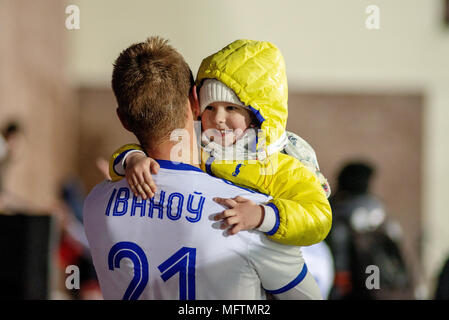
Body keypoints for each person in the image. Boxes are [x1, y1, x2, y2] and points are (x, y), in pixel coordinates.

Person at [83, 36, 322, 300]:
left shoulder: (94, 204)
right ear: (196, 102)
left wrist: (129, 158)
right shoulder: (244, 212)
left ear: (123, 120)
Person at [108, 39, 332, 247]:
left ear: (256, 115)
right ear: (197, 105)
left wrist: (263, 216)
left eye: (231, 108)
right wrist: (132, 159)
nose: (219, 118)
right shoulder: (197, 145)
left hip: (273, 255)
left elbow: (318, 217)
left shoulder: (279, 165)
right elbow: (147, 150)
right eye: (210, 108)